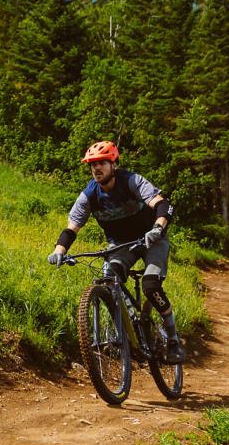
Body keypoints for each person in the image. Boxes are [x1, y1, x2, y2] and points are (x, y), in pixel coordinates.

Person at [47, 141, 185, 360]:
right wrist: (59, 251)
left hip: (152, 239)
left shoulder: (132, 181)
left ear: (114, 164)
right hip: (121, 245)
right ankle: (124, 336)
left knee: (150, 285)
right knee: (108, 280)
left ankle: (174, 339)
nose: (96, 168)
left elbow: (162, 204)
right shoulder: (89, 195)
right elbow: (72, 227)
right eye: (92, 164)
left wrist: (158, 228)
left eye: (101, 162)